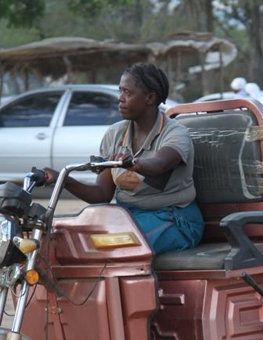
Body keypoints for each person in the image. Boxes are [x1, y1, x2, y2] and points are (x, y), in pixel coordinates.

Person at [42, 63, 203, 255]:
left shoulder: (175, 133)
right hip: (126, 217)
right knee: (63, 240)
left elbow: (160, 164)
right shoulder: (115, 134)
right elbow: (102, 194)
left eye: (127, 93)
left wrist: (134, 164)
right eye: (120, 91)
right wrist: (62, 179)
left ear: (150, 98)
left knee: (110, 247)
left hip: (174, 220)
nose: (120, 99)